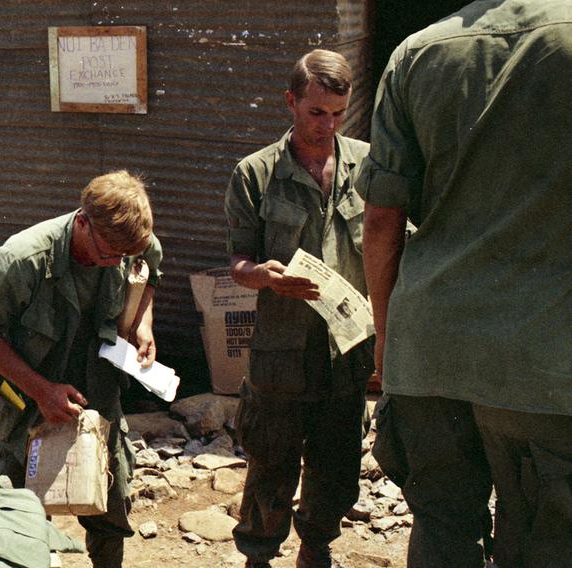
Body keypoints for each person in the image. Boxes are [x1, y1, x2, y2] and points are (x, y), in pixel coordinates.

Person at [358, 2, 572, 567]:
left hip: (432, 351)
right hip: (546, 362)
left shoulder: (417, 53)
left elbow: (380, 224)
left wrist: (387, 339)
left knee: (443, 529)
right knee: (548, 540)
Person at [0, 170, 162, 568]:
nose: (118, 262)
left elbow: (148, 273)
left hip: (97, 393)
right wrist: (40, 390)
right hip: (23, 398)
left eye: (125, 255)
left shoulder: (130, 241)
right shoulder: (20, 260)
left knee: (110, 500)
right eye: (109, 255)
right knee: (21, 512)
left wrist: (142, 323)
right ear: (83, 223)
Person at [224, 49, 374, 568]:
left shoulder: (368, 165)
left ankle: (316, 549)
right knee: (270, 461)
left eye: (338, 113)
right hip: (280, 354)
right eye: (316, 113)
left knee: (336, 464)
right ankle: (259, 554)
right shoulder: (256, 173)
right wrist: (261, 276)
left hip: (346, 354)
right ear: (291, 102)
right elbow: (238, 261)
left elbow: (393, 242)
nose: (328, 125)